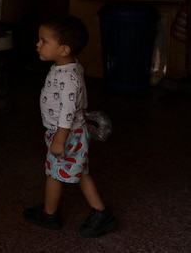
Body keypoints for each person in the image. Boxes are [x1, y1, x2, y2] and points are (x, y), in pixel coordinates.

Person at [24, 15, 118, 238]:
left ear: (64, 49)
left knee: (54, 174)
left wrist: (59, 139)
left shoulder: (67, 78)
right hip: (72, 133)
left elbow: (67, 111)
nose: (38, 44)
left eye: (44, 41)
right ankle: (101, 213)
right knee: (81, 172)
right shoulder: (68, 67)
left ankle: (49, 214)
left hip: (65, 135)